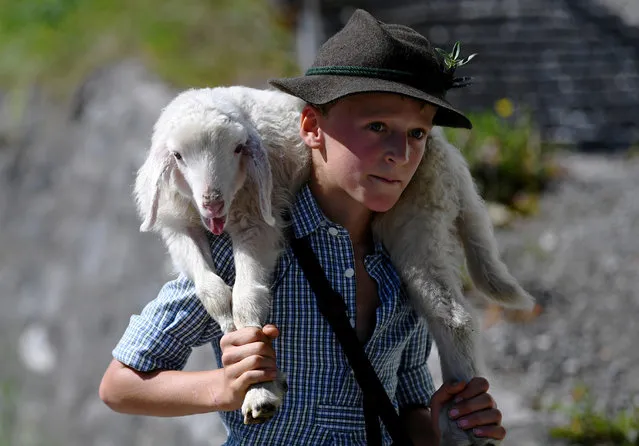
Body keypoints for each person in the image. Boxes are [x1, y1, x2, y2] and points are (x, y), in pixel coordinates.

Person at [99, 8, 506, 445]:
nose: (400, 153)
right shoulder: (245, 256)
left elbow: (402, 407)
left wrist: (446, 430)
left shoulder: (399, 266)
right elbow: (120, 385)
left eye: (417, 134)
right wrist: (224, 388)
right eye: (377, 126)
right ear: (311, 127)